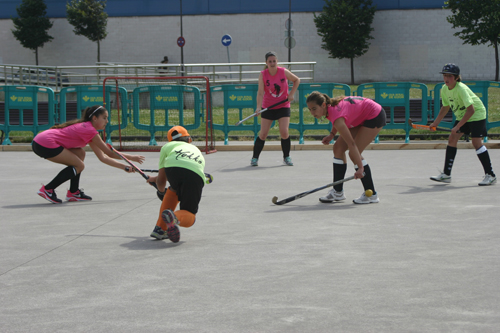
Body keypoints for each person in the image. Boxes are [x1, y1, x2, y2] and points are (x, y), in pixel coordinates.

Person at [32, 105, 145, 204]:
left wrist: (125, 167)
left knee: (80, 154)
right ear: (94, 118)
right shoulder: (90, 131)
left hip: (40, 141)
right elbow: (109, 153)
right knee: (79, 165)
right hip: (44, 143)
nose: (107, 121)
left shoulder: (88, 129)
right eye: (104, 118)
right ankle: (48, 189)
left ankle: (73, 192)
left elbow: (103, 158)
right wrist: (132, 158)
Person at [306, 92, 387, 204]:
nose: (312, 113)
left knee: (354, 153)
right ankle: (338, 192)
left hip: (374, 115)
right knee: (338, 148)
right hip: (361, 115)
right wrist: (332, 134)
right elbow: (337, 120)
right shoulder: (330, 108)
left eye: (314, 108)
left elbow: (351, 144)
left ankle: (372, 194)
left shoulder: (334, 113)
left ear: (323, 105)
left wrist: (360, 168)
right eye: (309, 109)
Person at [430, 63, 496, 186]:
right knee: (452, 139)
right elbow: (445, 107)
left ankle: (490, 175)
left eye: (450, 76)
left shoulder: (462, 89)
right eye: (444, 75)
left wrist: (458, 126)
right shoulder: (444, 89)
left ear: (456, 77)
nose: (446, 79)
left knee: (476, 143)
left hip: (476, 115)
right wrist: (435, 123)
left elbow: (471, 110)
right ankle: (446, 175)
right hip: (463, 116)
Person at [146, 126, 205, 243]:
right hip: (195, 173)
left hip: (172, 169)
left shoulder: (167, 147)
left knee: (173, 189)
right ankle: (175, 217)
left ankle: (160, 229)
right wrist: (158, 183)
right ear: (189, 140)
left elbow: (162, 181)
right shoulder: (194, 148)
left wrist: (161, 191)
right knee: (190, 215)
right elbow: (187, 169)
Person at [250, 51, 300, 167]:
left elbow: (297, 80)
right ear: (266, 63)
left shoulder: (283, 72)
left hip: (283, 106)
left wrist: (291, 94)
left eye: (274, 61)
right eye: (270, 61)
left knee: (284, 131)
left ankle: (286, 157)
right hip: (268, 107)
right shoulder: (263, 74)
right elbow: (261, 92)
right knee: (263, 134)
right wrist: (258, 107)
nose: (272, 63)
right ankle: (254, 158)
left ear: (277, 62)